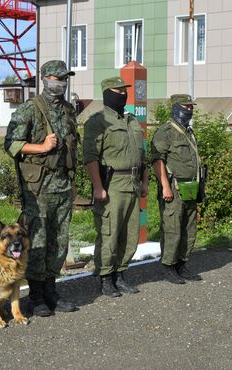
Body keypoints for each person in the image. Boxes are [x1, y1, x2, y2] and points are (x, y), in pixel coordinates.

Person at [4, 60, 78, 317]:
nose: (61, 82)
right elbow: (11, 144)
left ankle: (51, 290)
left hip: (63, 185)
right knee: (37, 240)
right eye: (57, 77)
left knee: (59, 241)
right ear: (45, 78)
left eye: (64, 78)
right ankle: (35, 296)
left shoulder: (69, 110)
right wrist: (41, 148)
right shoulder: (30, 109)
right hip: (38, 188)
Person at [83, 76, 149, 297]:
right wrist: (97, 186)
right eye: (118, 91)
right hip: (111, 184)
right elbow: (90, 157)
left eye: (125, 90)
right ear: (107, 93)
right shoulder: (98, 121)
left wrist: (145, 181)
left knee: (130, 233)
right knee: (109, 233)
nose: (123, 94)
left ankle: (120, 274)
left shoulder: (131, 121)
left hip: (132, 182)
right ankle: (105, 277)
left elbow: (143, 156)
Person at [151, 94, 203, 285]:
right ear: (176, 108)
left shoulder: (188, 131)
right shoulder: (166, 132)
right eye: (186, 107)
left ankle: (182, 263)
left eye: (191, 107)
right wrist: (165, 186)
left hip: (190, 186)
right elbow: (158, 161)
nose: (190, 110)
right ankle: (168, 265)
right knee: (172, 227)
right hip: (173, 187)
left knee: (189, 226)